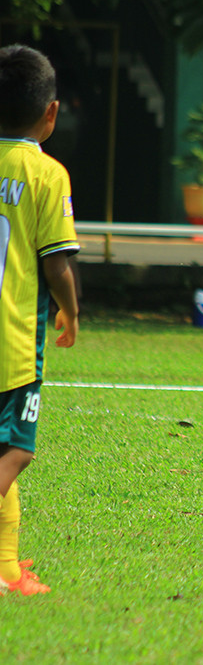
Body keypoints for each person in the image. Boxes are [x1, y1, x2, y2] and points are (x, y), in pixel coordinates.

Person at [0, 44, 81, 596]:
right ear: (50, 113)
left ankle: (6, 570)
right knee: (18, 451)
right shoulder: (46, 174)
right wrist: (71, 311)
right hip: (12, 345)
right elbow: (56, 261)